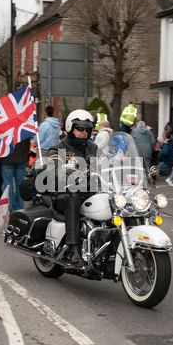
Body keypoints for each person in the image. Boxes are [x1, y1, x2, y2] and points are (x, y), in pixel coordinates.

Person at [46, 109, 97, 267]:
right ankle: (74, 249)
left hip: (88, 193)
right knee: (73, 198)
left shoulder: (93, 148)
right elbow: (53, 170)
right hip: (63, 194)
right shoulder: (57, 149)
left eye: (87, 130)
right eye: (80, 129)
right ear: (70, 127)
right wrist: (63, 171)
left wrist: (120, 166)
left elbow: (106, 165)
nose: (83, 132)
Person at [0, 138, 30, 212]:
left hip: (7, 158)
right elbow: (27, 145)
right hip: (21, 158)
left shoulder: (5, 128)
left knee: (7, 185)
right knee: (19, 184)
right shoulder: (23, 127)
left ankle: (7, 209)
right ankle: (19, 208)